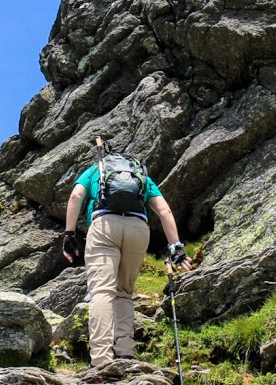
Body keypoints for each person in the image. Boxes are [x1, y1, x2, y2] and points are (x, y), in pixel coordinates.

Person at [60, 151, 191, 368]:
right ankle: (125, 352)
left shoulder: (95, 171)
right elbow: (164, 211)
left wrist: (69, 234)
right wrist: (175, 247)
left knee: (102, 291)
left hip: (104, 226)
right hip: (138, 229)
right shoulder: (141, 177)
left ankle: (101, 358)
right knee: (123, 292)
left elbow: (75, 197)